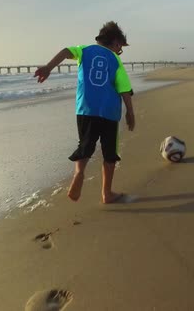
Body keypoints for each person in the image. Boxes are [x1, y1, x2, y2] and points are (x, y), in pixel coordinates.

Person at [34, 21, 135, 204]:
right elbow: (124, 90)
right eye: (120, 46)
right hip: (110, 112)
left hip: (85, 109)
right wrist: (131, 113)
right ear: (115, 42)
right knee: (109, 153)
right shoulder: (115, 60)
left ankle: (79, 172)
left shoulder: (84, 50)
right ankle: (107, 193)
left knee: (85, 145)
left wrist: (48, 67)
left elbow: (65, 51)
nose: (120, 51)